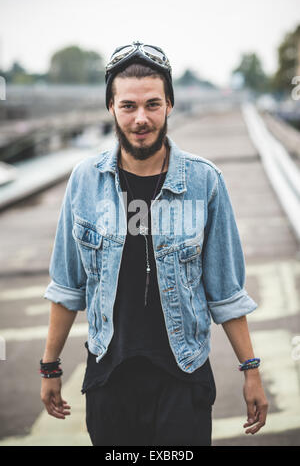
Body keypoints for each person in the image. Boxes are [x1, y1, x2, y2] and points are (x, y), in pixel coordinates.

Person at [41, 41, 268, 446]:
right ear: (111, 107)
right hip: (109, 375)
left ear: (169, 106)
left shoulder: (205, 182)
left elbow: (226, 291)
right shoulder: (84, 181)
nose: (141, 118)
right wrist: (50, 367)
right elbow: (67, 286)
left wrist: (250, 370)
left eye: (152, 104)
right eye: (128, 105)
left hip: (183, 376)